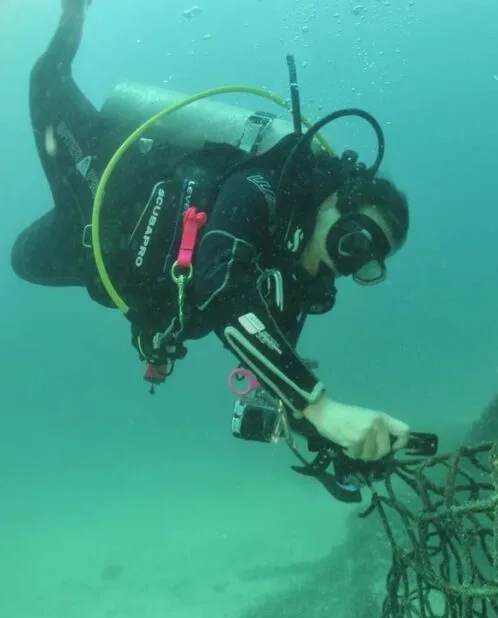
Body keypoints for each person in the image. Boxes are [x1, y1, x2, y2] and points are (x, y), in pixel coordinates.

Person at [11, 0, 414, 464]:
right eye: (355, 241)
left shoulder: (295, 285)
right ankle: (73, 15)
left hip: (95, 255)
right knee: (47, 79)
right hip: (103, 177)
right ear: (333, 203)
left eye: (365, 265)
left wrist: (342, 447)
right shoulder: (260, 185)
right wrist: (320, 406)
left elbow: (275, 375)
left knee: (23, 260)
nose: (347, 264)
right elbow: (223, 285)